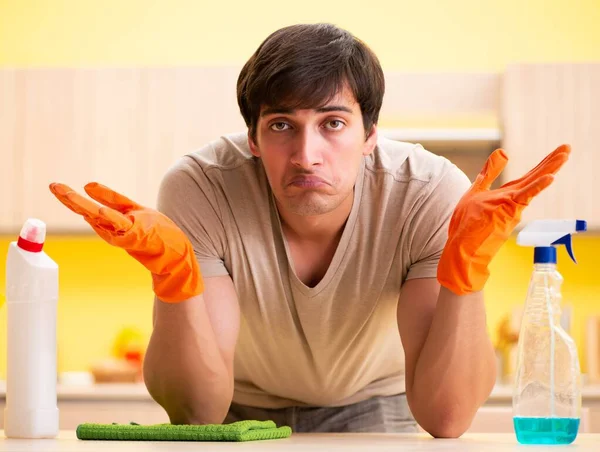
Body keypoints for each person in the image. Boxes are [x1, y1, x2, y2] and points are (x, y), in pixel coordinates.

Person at [49, 23, 571, 437]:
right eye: (281, 125)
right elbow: (198, 412)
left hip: (377, 410)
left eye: (333, 123)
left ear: (370, 134)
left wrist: (466, 274)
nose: (305, 155)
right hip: (240, 415)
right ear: (252, 137)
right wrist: (174, 277)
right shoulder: (200, 186)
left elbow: (447, 418)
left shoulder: (429, 190)